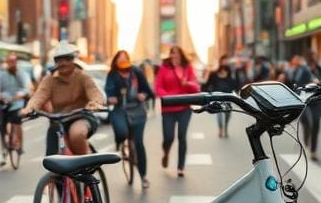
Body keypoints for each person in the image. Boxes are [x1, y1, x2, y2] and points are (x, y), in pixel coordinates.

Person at [22, 41, 105, 157]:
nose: (63, 63)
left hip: (81, 116)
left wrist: (95, 103)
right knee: (51, 159)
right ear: (55, 62)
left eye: (67, 59)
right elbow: (39, 95)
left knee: (76, 134)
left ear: (73, 60)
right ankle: (56, 175)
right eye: (59, 60)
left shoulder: (82, 76)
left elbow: (94, 92)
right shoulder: (50, 79)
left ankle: (83, 167)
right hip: (58, 120)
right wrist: (29, 108)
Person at [105, 49, 154, 189]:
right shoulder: (112, 74)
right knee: (121, 133)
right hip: (120, 110)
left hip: (137, 111)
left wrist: (143, 95)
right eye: (120, 59)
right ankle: (120, 142)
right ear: (116, 61)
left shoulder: (136, 72)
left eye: (125, 59)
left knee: (139, 143)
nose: (122, 62)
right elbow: (109, 92)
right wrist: (111, 99)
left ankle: (143, 176)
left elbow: (147, 90)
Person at [155, 44, 200, 177]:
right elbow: (158, 87)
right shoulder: (164, 68)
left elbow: (196, 87)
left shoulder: (188, 68)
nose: (173, 55)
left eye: (176, 53)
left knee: (182, 136)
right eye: (172, 53)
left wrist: (187, 84)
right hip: (168, 107)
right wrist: (169, 97)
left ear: (181, 54)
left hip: (184, 107)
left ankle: (181, 167)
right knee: (168, 137)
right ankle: (166, 152)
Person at [0, 52, 31, 166]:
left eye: (13, 61)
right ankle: (4, 150)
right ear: (7, 62)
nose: (11, 63)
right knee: (1, 128)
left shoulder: (22, 73)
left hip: (17, 103)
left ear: (16, 62)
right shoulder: (1, 74)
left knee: (17, 121)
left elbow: (26, 87)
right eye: (10, 61)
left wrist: (19, 95)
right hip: (4, 103)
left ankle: (20, 145)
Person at [289, 52, 321, 160]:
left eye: (316, 58)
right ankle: (307, 145)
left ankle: (313, 150)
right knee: (308, 125)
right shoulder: (302, 70)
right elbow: (297, 84)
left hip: (318, 102)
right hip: (306, 102)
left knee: (316, 125)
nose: (314, 60)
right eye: (312, 58)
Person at [203, 55, 239, 137]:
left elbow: (236, 85)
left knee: (228, 114)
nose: (225, 63)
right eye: (224, 61)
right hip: (217, 97)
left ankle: (225, 127)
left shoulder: (231, 74)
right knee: (219, 112)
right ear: (220, 62)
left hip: (228, 97)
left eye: (227, 61)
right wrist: (208, 94)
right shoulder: (214, 74)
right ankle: (220, 129)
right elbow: (207, 85)